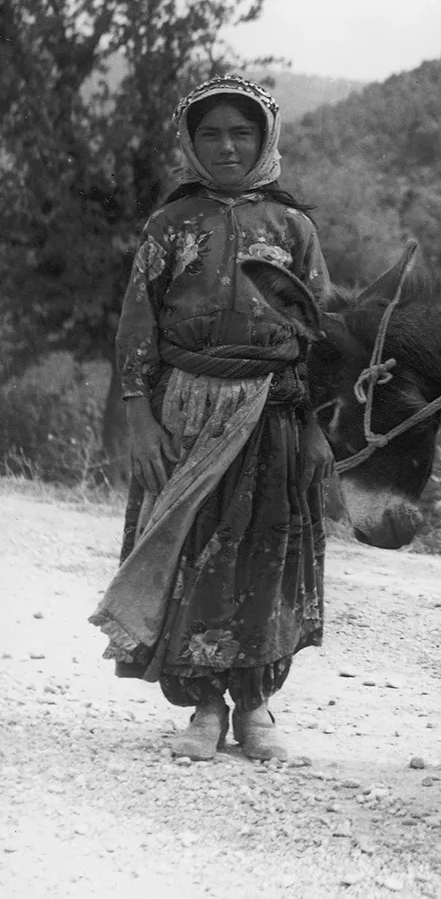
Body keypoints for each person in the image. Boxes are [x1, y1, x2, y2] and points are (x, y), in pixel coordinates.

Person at [91, 74, 340, 761]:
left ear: (264, 139)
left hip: (273, 411)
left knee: (266, 548)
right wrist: (139, 416)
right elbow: (135, 325)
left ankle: (256, 703)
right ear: (191, 144)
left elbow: (324, 335)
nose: (226, 146)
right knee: (192, 546)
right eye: (211, 134)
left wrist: (318, 428)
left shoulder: (294, 228)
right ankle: (204, 706)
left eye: (241, 132)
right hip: (187, 410)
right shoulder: (169, 226)